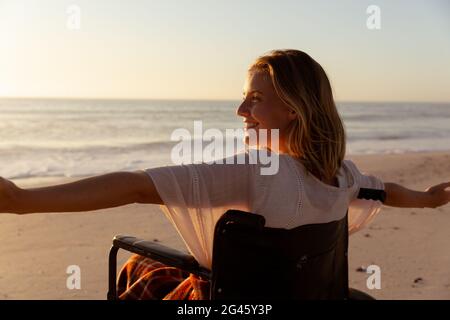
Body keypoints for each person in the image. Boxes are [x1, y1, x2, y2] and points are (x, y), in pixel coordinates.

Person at [1, 50, 449, 300]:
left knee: (138, 261)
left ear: (293, 109)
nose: (240, 111)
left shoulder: (256, 171)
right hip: (302, 296)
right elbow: (384, 191)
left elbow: (136, 184)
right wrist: (428, 198)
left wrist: (23, 200)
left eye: (255, 98)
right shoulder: (340, 175)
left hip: (234, 306)